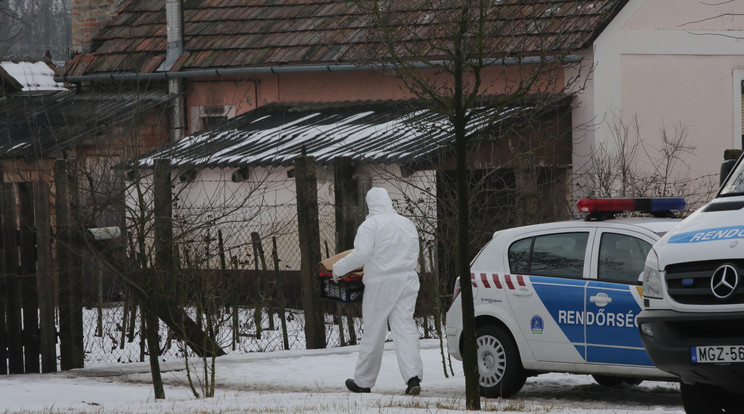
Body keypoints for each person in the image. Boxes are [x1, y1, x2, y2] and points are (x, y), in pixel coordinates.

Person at [332, 187, 424, 396]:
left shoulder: (370, 225)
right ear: (388, 201)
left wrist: (338, 269)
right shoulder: (406, 223)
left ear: (370, 204)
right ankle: (413, 377)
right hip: (408, 279)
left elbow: (361, 254)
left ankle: (363, 381)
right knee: (405, 329)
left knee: (374, 330)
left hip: (381, 282)